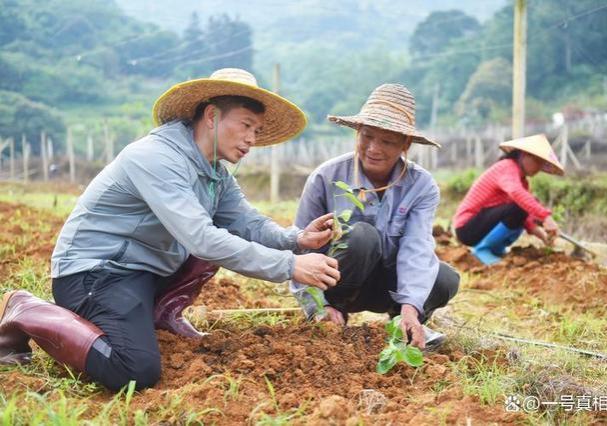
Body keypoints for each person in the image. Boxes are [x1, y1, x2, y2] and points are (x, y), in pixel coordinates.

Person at [0, 68, 341, 391]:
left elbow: (245, 222)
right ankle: (25, 308)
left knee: (217, 237)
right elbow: (201, 238)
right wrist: (291, 266)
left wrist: (295, 239)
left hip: (142, 272)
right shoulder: (156, 158)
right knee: (135, 371)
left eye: (258, 131)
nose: (253, 139)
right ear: (212, 116)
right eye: (247, 126)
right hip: (96, 273)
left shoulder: (215, 173)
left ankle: (159, 313)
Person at [290, 83, 460, 350]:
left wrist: (410, 308)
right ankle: (335, 314)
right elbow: (300, 247)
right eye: (367, 136)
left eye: (388, 141)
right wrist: (317, 305)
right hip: (340, 283)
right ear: (357, 131)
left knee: (445, 278)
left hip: (390, 287)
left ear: (406, 144)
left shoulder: (421, 186)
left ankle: (403, 327)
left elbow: (416, 246)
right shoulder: (326, 177)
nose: (374, 148)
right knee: (361, 237)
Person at [453, 134, 564, 265]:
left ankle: (496, 249)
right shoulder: (506, 167)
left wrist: (543, 236)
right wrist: (546, 217)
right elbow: (516, 194)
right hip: (467, 228)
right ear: (524, 155)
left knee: (522, 209)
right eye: (537, 162)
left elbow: (525, 216)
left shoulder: (522, 182)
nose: (539, 168)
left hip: (480, 226)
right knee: (519, 207)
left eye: (542, 164)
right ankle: (482, 250)